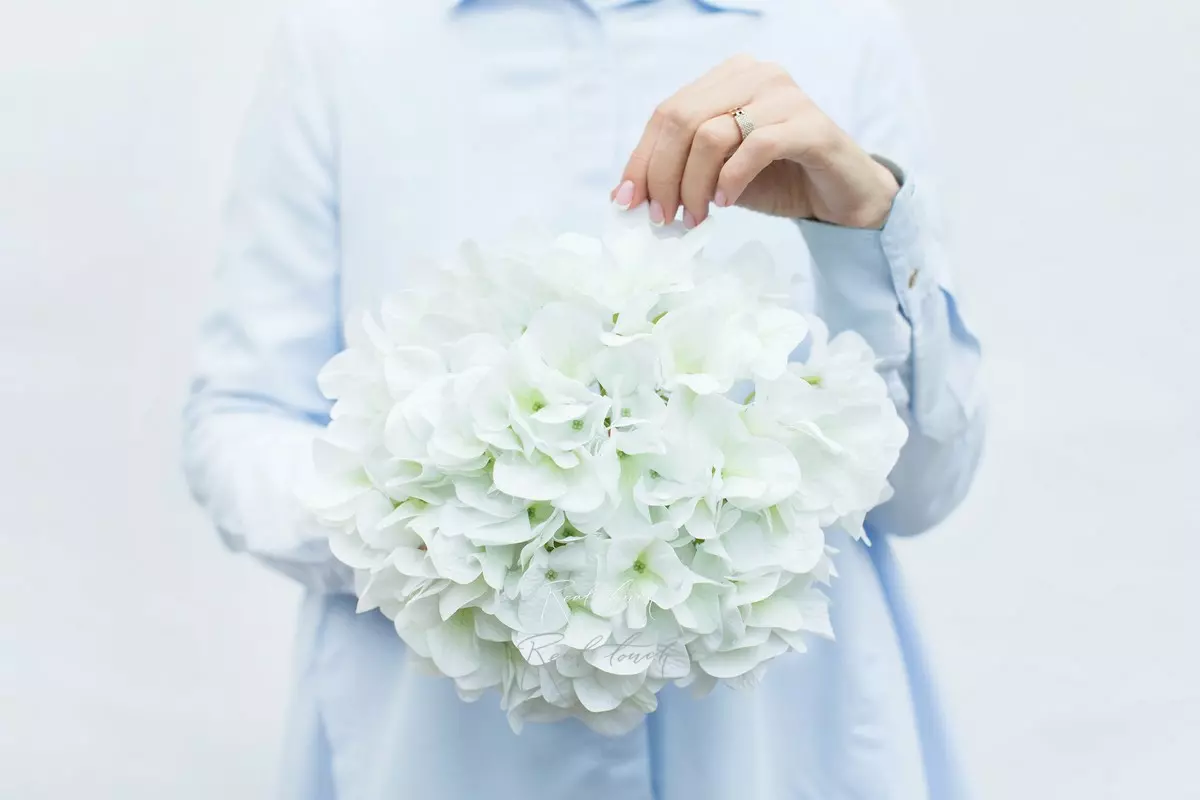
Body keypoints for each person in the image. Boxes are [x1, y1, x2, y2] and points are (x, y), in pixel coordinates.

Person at [182, 0, 985, 797]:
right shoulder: (346, 40)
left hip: (778, 753)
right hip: (445, 756)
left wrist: (865, 225)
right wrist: (449, 527)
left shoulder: (840, 30)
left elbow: (920, 489)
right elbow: (240, 422)